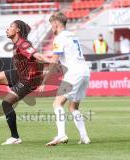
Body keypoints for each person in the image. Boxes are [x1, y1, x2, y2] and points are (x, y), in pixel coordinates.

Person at [39, 12, 91, 146]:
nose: (51, 28)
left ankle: (61, 134)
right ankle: (84, 137)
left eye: (51, 25)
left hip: (74, 72)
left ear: (56, 24)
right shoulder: (73, 35)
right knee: (73, 107)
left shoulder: (59, 38)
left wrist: (44, 81)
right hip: (84, 71)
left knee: (57, 103)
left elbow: (54, 62)